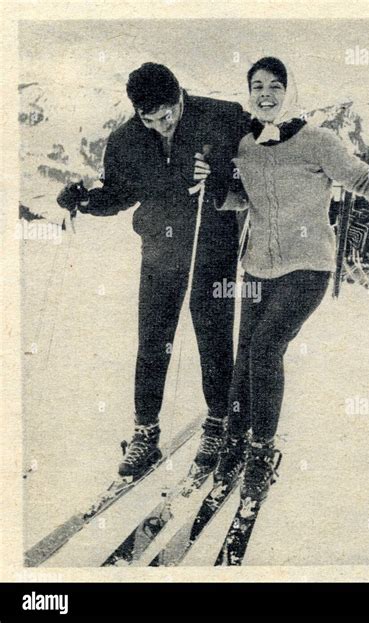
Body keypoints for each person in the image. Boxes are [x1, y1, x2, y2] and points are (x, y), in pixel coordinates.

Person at [212, 57, 369, 504]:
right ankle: (234, 440)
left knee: (264, 348)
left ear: (290, 91)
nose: (266, 94)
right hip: (257, 265)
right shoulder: (244, 147)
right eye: (257, 86)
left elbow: (360, 176)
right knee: (245, 356)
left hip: (308, 266)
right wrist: (211, 188)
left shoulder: (318, 141)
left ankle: (261, 452)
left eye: (275, 85)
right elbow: (240, 198)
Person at [57, 63, 249, 479]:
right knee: (152, 341)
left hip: (211, 244)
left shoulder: (223, 115)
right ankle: (145, 432)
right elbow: (120, 193)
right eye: (151, 119)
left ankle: (218, 424)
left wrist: (219, 176)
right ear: (137, 114)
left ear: (180, 95)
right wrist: (86, 200)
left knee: (213, 338)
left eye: (169, 114)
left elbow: (256, 168)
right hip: (160, 251)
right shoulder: (126, 140)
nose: (163, 125)